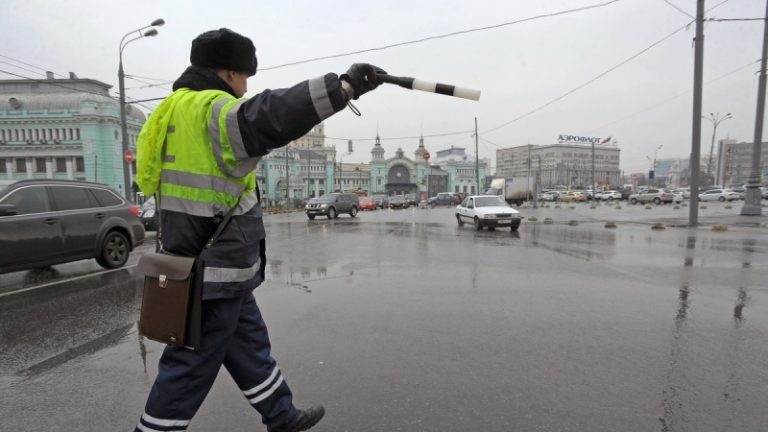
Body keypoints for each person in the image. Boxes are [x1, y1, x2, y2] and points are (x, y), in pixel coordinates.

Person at [133, 28, 384, 432]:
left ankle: (282, 416)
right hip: (214, 265)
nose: (246, 87)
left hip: (203, 259)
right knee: (189, 367)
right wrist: (344, 88)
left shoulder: (169, 111)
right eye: (245, 77)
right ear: (231, 72)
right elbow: (271, 114)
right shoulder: (212, 109)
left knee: (250, 347)